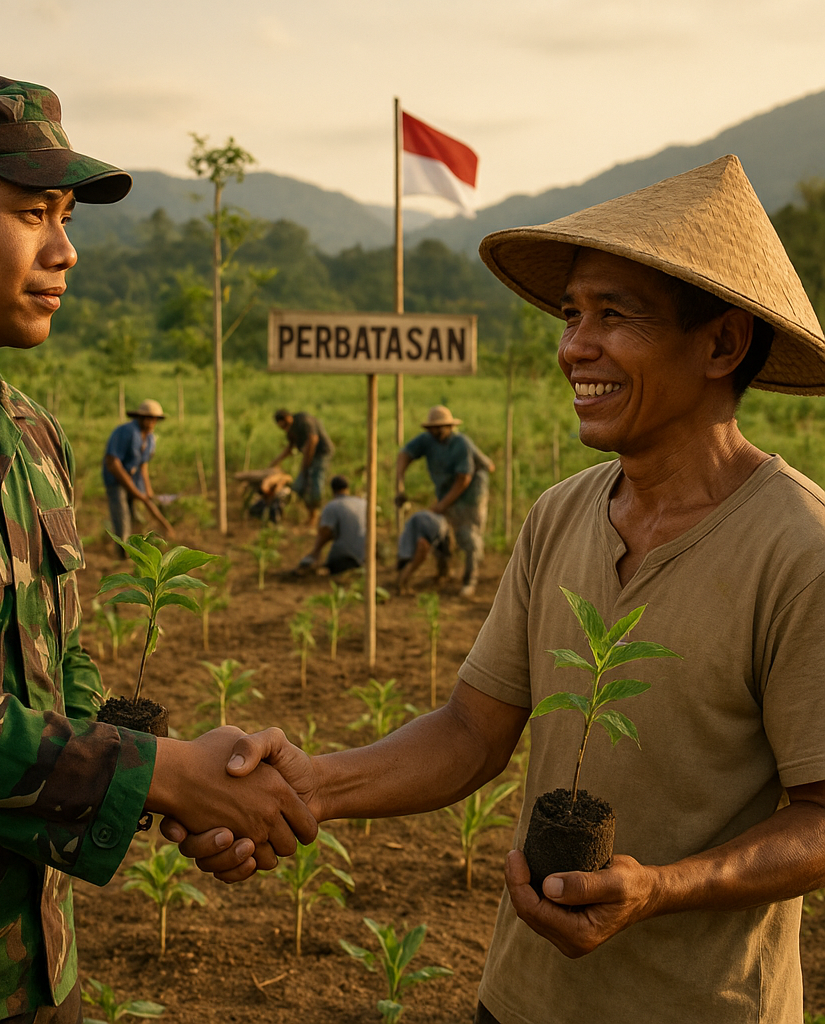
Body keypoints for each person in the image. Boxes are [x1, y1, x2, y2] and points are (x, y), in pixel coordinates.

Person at [172, 155, 825, 1024]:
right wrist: (311, 788)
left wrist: (659, 889)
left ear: (722, 343)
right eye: (570, 315)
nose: (573, 348)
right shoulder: (561, 514)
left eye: (613, 316)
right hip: (517, 998)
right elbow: (472, 733)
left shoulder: (799, 547)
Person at [0, 68, 314, 1024]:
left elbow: (56, 670)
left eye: (67, 217)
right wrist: (166, 774)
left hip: (36, 967)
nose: (66, 251)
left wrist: (177, 786)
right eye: (35, 213)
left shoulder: (30, 433)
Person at [395, 406, 495, 598]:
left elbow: (464, 478)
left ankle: (469, 580)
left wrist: (442, 505)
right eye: (432, 428)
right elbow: (404, 454)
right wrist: (399, 483)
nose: (435, 431)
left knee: (467, 534)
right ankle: (443, 571)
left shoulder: (461, 444)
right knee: (440, 529)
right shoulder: (427, 440)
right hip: (446, 490)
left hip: (470, 494)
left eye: (440, 428)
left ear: (449, 427)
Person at [102, 398, 175, 544]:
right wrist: (135, 491)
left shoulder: (149, 439)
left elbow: (143, 466)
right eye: (149, 419)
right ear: (140, 417)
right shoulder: (126, 432)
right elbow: (113, 463)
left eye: (155, 419)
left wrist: (147, 491)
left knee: (132, 516)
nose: (152, 422)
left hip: (132, 479)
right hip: (116, 481)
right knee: (121, 517)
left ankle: (131, 548)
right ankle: (122, 554)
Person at [269, 407, 334, 524]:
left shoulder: (304, 421)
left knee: (316, 483)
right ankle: (312, 514)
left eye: (284, 426)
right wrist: (275, 462)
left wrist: (306, 464)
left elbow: (313, 440)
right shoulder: (291, 430)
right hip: (309, 457)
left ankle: (319, 516)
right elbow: (290, 447)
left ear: (288, 418)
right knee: (299, 486)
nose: (284, 429)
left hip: (321, 454)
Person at [297, 475, 367, 575]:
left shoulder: (332, 506)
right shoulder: (363, 503)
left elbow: (326, 531)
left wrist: (315, 552)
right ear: (347, 488)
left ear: (333, 490)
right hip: (365, 557)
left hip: (344, 559)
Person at [395, 509, 452, 595]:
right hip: (427, 527)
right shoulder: (439, 528)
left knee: (412, 557)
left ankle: (402, 583)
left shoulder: (438, 524)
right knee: (416, 560)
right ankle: (402, 584)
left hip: (420, 522)